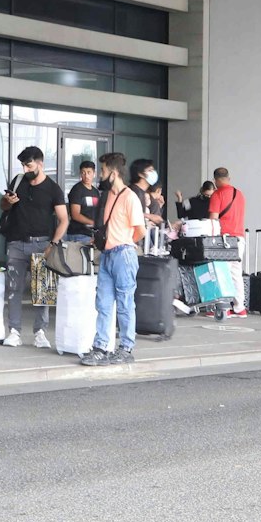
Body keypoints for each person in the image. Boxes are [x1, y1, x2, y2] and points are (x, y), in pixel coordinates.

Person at [0, 146, 67, 349]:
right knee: (13, 289)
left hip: (43, 244)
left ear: (40, 163)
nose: (25, 169)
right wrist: (7, 201)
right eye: (23, 165)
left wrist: (53, 245)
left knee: (43, 291)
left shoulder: (53, 189)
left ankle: (40, 332)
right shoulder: (18, 181)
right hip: (16, 243)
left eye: (29, 165)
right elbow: (3, 207)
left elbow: (64, 220)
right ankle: (14, 331)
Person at [84, 152, 146, 366]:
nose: (100, 175)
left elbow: (140, 231)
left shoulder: (130, 197)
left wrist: (126, 243)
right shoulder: (107, 196)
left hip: (123, 255)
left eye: (102, 171)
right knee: (103, 303)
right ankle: (100, 347)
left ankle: (126, 348)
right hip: (108, 255)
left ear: (114, 172)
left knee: (125, 304)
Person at [207, 167, 248, 317]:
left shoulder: (217, 194)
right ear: (228, 178)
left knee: (221, 273)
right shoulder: (240, 194)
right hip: (239, 239)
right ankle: (239, 308)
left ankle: (223, 308)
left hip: (224, 240)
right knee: (236, 274)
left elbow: (213, 220)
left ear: (216, 180)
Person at [65, 160, 100, 244]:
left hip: (91, 233)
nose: (86, 176)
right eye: (83, 173)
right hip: (78, 233)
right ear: (80, 174)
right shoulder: (77, 189)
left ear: (94, 173)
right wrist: (93, 223)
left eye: (89, 172)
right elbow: (75, 215)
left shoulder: (95, 192)